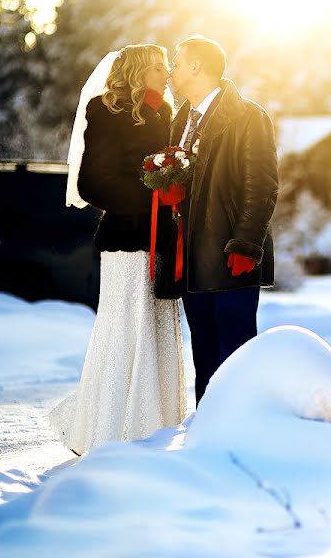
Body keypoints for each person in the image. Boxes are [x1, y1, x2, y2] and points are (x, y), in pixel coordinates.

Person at [50, 44, 187, 455]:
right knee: (126, 328)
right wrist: (153, 198)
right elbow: (93, 182)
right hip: (127, 243)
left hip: (162, 242)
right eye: (160, 67)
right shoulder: (104, 111)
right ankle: (109, 431)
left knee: (158, 332)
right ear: (138, 71)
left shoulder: (166, 112)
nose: (167, 74)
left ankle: (155, 427)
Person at [168, 35, 279, 404]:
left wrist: (246, 243)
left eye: (177, 62)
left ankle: (242, 431)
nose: (172, 70)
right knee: (205, 360)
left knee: (236, 358)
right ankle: (206, 435)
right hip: (192, 262)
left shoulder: (249, 117)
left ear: (197, 66)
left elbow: (261, 185)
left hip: (231, 258)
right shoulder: (182, 119)